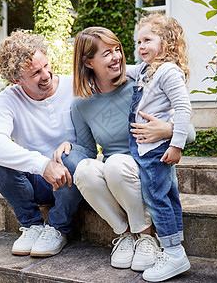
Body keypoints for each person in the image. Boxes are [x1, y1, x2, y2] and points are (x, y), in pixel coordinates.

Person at [54, 27, 195, 271]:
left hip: (147, 172)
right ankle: (126, 234)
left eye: (117, 49)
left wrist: (167, 129)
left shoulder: (140, 84)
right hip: (116, 178)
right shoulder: (81, 105)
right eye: (107, 53)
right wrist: (70, 147)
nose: (117, 57)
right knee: (86, 168)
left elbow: (189, 133)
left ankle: (147, 236)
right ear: (88, 61)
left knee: (117, 163)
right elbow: (87, 152)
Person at [0, 30, 88, 257]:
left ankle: (58, 228)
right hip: (38, 182)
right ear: (17, 80)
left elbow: (116, 75)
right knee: (0, 164)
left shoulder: (74, 85)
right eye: (36, 73)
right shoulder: (8, 99)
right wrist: (42, 165)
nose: (46, 75)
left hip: (75, 179)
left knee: (69, 158)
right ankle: (32, 226)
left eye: (46, 66)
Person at [128, 13, 192, 282]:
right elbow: (122, 70)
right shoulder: (146, 69)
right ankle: (175, 245)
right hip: (149, 148)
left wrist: (177, 145)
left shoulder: (167, 71)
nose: (141, 46)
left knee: (156, 198)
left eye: (147, 40)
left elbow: (184, 108)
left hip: (157, 148)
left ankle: (173, 253)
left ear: (166, 42)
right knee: (168, 195)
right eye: (138, 41)